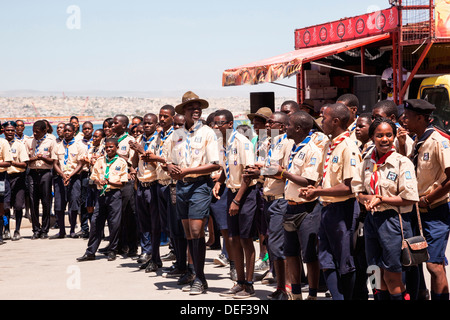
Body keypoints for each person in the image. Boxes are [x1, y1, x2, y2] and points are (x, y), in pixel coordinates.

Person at [351, 117, 419, 300]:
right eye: (379, 135)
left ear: (394, 137)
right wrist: (369, 198)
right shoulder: (367, 161)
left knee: (392, 275)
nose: (385, 139)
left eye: (389, 135)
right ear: (372, 137)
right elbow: (358, 191)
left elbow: (409, 198)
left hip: (393, 221)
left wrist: (381, 199)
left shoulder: (402, 163)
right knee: (374, 271)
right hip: (372, 220)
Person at [301, 103, 361, 300]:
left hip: (342, 209)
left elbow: (349, 187)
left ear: (336, 121)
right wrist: (314, 189)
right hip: (326, 208)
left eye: (324, 118)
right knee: (326, 259)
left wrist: (319, 190)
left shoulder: (348, 147)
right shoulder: (329, 144)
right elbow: (324, 177)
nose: (321, 122)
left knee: (344, 262)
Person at [164, 91, 220, 295]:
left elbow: (214, 165)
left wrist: (188, 171)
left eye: (198, 108)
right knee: (188, 234)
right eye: (191, 108)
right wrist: (171, 169)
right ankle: (193, 273)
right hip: (182, 187)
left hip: (199, 186)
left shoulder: (207, 133)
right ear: (183, 112)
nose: (196, 111)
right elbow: (168, 161)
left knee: (197, 232)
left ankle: (200, 277)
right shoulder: (176, 134)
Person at [272, 111, 323, 300]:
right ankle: (295, 293)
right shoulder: (293, 147)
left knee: (309, 255)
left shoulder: (312, 150)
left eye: (289, 125)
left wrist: (282, 173)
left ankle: (312, 295)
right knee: (291, 253)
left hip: (307, 209)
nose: (286, 128)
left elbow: (308, 180)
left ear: (299, 129)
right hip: (290, 206)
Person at [403, 99, 450, 300]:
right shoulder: (417, 140)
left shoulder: (438, 141)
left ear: (421, 118)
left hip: (435, 209)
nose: (404, 120)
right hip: (417, 210)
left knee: (434, 264)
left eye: (408, 117)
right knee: (414, 258)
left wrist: (429, 199)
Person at [212, 109, 257, 299]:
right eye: (214, 123)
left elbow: (248, 174)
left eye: (219, 123)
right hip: (231, 192)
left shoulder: (242, 143)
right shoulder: (222, 143)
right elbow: (226, 167)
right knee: (233, 239)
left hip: (245, 194)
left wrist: (237, 200)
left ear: (230, 124)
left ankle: (249, 283)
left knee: (246, 240)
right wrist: (219, 181)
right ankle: (239, 281)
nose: (215, 127)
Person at [252, 111, 292, 299]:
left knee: (278, 246)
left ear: (283, 126)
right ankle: (281, 287)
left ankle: (287, 288)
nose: (267, 126)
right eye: (267, 123)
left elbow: (284, 172)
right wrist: (256, 171)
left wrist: (262, 171)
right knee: (273, 244)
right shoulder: (268, 144)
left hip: (281, 200)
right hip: (267, 199)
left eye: (271, 123)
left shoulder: (287, 144)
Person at [77, 137, 128, 262]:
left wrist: (110, 182)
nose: (109, 149)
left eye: (111, 147)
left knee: (114, 224)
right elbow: (93, 177)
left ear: (116, 148)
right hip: (101, 194)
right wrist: (97, 181)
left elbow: (123, 183)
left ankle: (112, 250)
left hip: (114, 195)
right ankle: (90, 251)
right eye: (107, 147)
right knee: (95, 223)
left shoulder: (121, 162)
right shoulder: (100, 161)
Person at [130, 113, 162, 272]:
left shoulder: (158, 140)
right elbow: (135, 163)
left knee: (155, 224)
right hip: (141, 184)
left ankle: (155, 257)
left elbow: (159, 164)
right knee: (144, 223)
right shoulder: (140, 140)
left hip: (154, 183)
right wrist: (136, 151)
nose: (146, 126)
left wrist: (142, 150)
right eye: (145, 123)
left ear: (156, 125)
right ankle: (147, 251)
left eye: (150, 123)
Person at [50, 123, 87, 239]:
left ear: (74, 132)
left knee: (74, 203)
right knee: (59, 205)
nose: (66, 132)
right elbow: (55, 163)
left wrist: (70, 175)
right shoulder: (57, 146)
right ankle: (61, 230)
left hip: (74, 177)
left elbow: (80, 164)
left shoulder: (80, 146)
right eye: (65, 130)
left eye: (69, 131)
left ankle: (72, 229)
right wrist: (62, 175)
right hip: (60, 178)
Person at [247, 107, 272, 273]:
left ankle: (269, 260)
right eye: (253, 123)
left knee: (270, 228)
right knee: (261, 226)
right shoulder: (257, 140)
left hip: (269, 187)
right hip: (258, 186)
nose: (255, 126)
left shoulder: (275, 141)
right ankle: (263, 256)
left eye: (258, 123)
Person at [25, 120, 57, 239]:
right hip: (32, 172)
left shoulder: (51, 141)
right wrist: (34, 158)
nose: (35, 134)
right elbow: (26, 159)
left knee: (46, 201)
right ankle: (36, 229)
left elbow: (53, 160)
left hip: (45, 173)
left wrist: (42, 157)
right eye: (33, 131)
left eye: (37, 132)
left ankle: (45, 229)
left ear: (44, 131)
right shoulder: (29, 141)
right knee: (33, 202)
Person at [112, 114, 138, 257]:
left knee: (129, 214)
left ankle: (132, 247)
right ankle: (119, 246)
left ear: (123, 125)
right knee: (116, 215)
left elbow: (131, 161)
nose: (112, 126)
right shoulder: (109, 139)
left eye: (115, 123)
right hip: (113, 181)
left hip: (127, 180)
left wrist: (116, 153)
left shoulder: (130, 141)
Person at [3, 121, 29, 241]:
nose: (10, 132)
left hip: (17, 177)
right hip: (3, 177)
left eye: (12, 130)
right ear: (3, 130)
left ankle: (17, 230)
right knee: (5, 206)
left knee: (18, 206)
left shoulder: (19, 145)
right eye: (7, 130)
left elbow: (24, 164)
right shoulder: (1, 143)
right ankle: (6, 229)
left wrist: (11, 162)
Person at [76, 121, 95, 238]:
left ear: (92, 129)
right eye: (85, 129)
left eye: (89, 128)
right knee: (83, 202)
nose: (87, 130)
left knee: (93, 203)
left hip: (94, 174)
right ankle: (84, 228)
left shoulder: (98, 142)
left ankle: (95, 228)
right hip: (83, 174)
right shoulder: (79, 143)